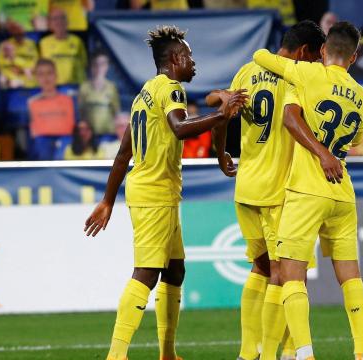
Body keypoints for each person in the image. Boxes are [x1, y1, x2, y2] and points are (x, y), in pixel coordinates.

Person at [83, 25, 247, 360]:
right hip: (154, 193)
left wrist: (107, 200)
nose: (193, 62)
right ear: (174, 59)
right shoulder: (171, 90)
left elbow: (123, 153)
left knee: (175, 270)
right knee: (147, 271)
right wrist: (220, 114)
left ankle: (168, 353)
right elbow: (180, 128)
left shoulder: (144, 93)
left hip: (158, 192)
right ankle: (116, 354)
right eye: (189, 55)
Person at [207, 20, 326, 360]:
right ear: (303, 53)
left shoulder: (247, 70)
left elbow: (221, 109)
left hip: (246, 188)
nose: (315, 65)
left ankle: (251, 351)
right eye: (315, 58)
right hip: (281, 192)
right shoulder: (295, 77)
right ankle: (277, 352)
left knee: (260, 269)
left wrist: (220, 154)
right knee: (286, 275)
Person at [253, 21, 363, 360]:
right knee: (350, 275)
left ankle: (304, 354)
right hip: (343, 193)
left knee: (291, 275)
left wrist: (321, 154)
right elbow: (357, 139)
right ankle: (362, 353)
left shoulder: (306, 75)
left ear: (322, 51)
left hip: (307, 190)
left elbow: (261, 57)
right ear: (354, 56)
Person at [28, 59, 75, 137]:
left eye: (49, 73)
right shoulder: (32, 103)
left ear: (56, 75)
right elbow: (33, 133)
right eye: (41, 74)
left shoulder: (69, 100)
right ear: (36, 78)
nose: (46, 77)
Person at [40, 8, 87, 85]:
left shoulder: (78, 41)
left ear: (67, 21)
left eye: (62, 18)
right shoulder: (43, 43)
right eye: (55, 19)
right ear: (50, 23)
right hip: (54, 88)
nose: (59, 21)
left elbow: (84, 63)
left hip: (75, 86)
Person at [78, 51, 120, 134]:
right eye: (95, 64)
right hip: (90, 135)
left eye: (102, 64)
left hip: (108, 133)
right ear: (91, 66)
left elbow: (116, 112)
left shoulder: (112, 88)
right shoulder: (84, 87)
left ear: (107, 66)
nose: (99, 68)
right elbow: (80, 112)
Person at [0, 21, 39, 88]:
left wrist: (16, 61)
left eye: (21, 34)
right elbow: (1, 66)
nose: (19, 36)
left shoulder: (31, 44)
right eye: (16, 34)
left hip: (28, 75)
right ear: (12, 34)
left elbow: (35, 63)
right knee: (2, 79)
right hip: (12, 77)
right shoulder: (4, 45)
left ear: (24, 33)